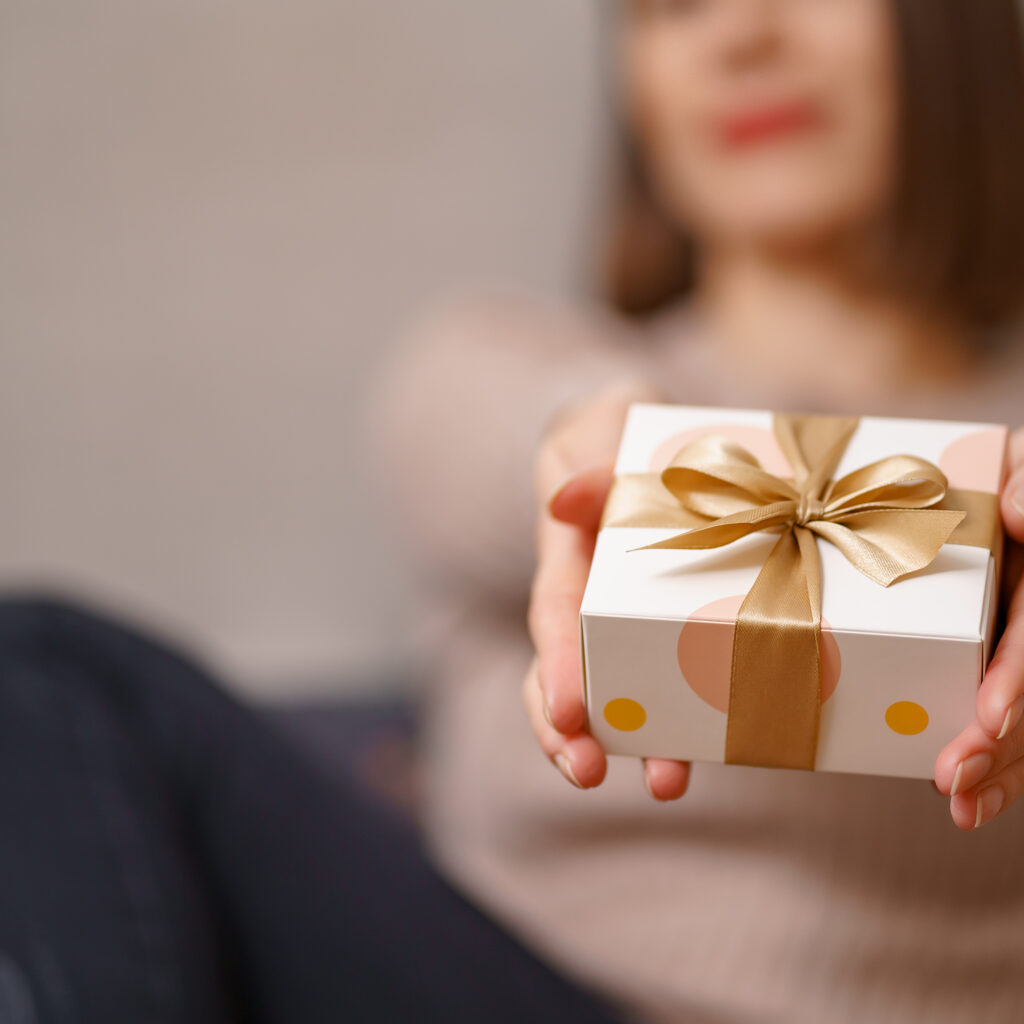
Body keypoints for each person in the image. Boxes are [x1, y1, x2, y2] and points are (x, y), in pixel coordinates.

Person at [370, 0, 1024, 1021]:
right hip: (517, 986)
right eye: (672, 4)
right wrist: (607, 439)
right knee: (57, 674)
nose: (738, 36)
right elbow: (492, 437)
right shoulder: (509, 370)